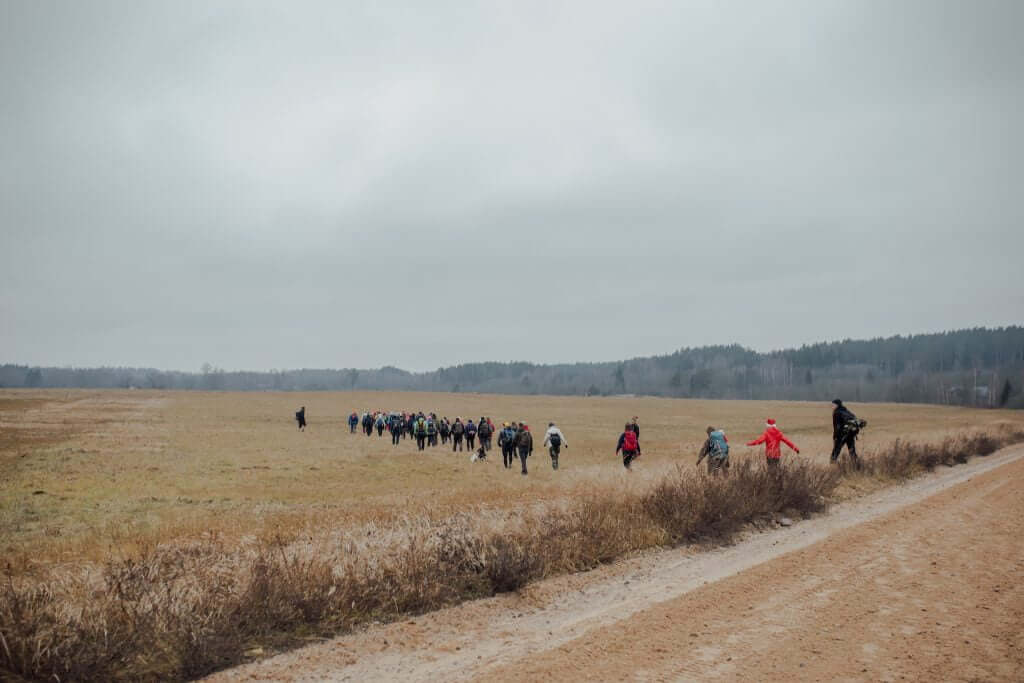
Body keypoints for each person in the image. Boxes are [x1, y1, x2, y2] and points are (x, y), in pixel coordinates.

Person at [831, 399, 864, 466]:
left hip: (841, 435)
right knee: (852, 451)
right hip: (850, 434)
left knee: (836, 451)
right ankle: (857, 465)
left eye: (832, 404)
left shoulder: (836, 413)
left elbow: (837, 426)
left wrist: (835, 436)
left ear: (836, 405)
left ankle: (832, 465)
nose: (831, 406)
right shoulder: (846, 411)